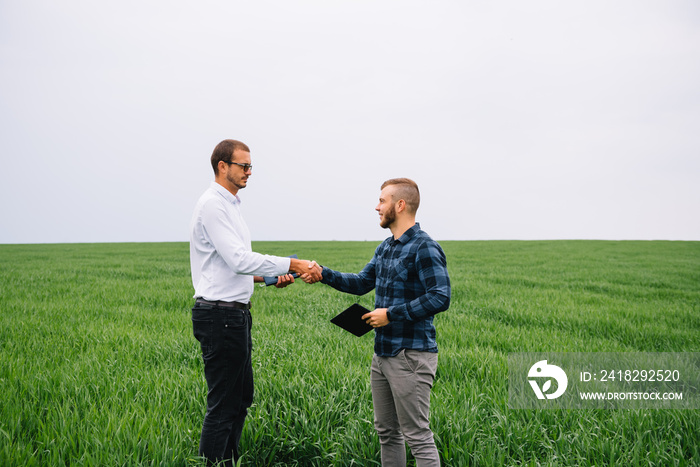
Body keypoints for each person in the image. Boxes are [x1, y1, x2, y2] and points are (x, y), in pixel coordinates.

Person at [189, 139, 321, 466]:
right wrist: (293, 264)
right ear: (223, 166)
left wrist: (270, 278)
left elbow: (229, 266)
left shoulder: (230, 205)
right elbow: (238, 259)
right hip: (219, 317)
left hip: (234, 316)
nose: (249, 172)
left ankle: (227, 461)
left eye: (251, 167)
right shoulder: (212, 205)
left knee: (241, 398)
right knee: (224, 404)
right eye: (243, 166)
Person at [309, 178, 451, 467]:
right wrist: (323, 273)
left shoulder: (424, 248)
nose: (377, 207)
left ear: (400, 205)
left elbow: (440, 297)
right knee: (387, 432)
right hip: (383, 353)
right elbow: (361, 283)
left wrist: (390, 314)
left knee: (417, 435)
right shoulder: (386, 248)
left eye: (382, 200)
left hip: (411, 355)